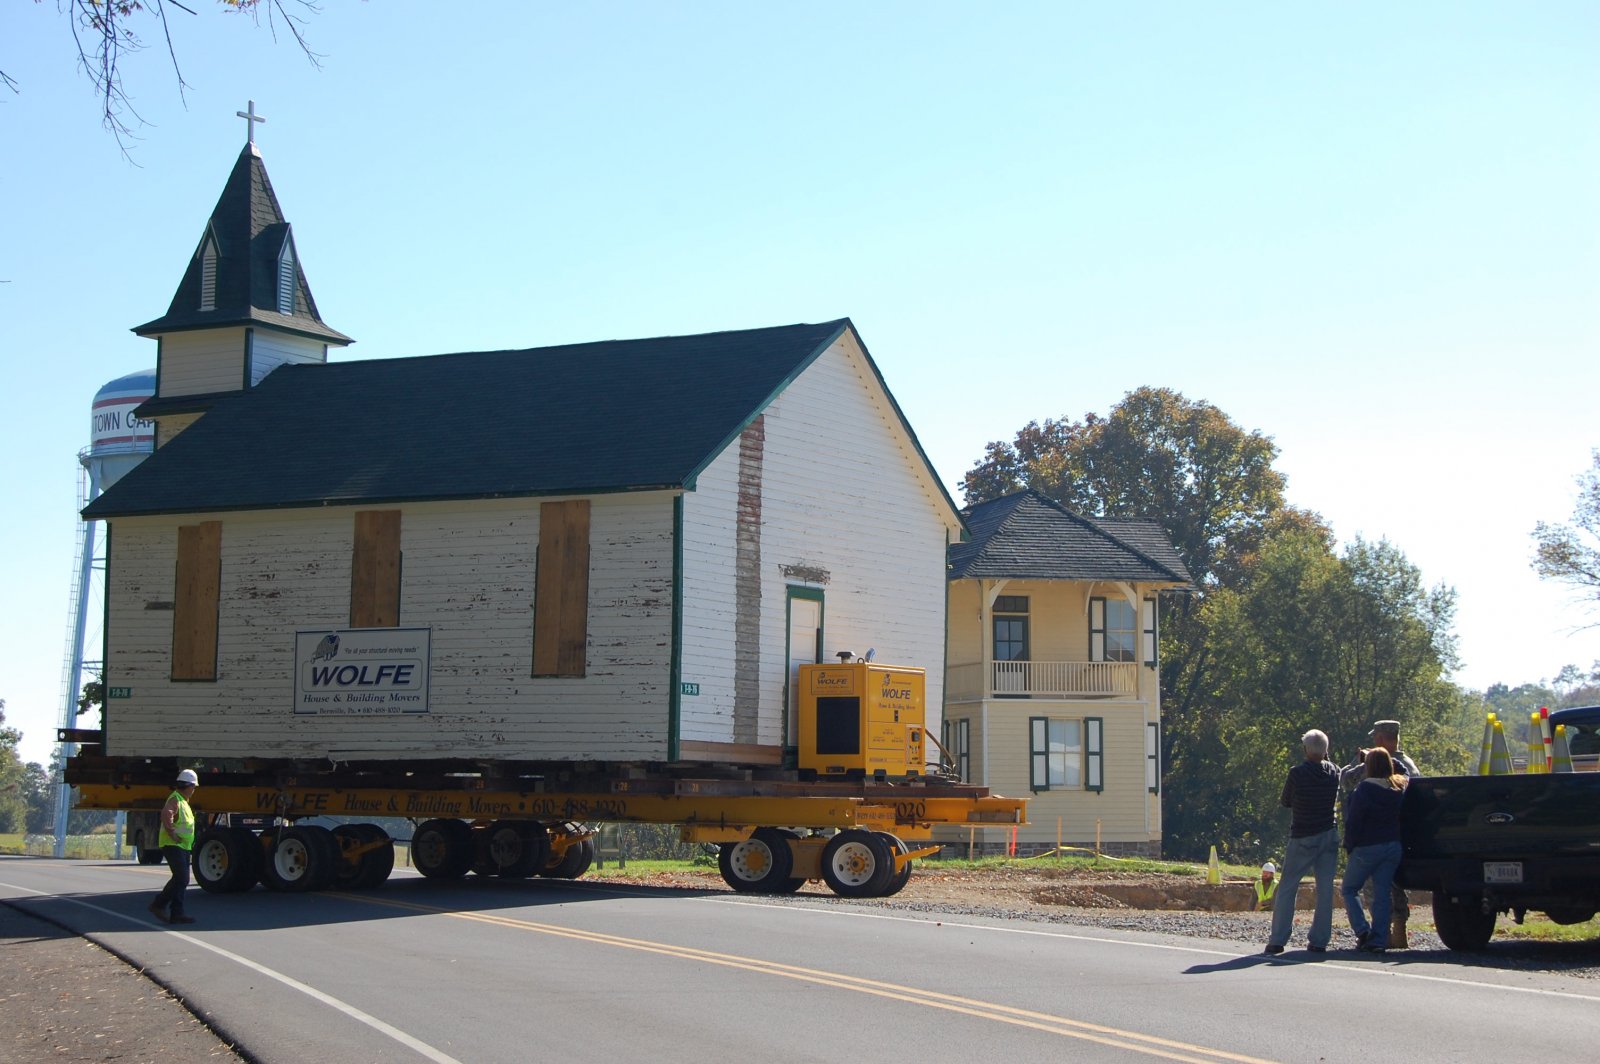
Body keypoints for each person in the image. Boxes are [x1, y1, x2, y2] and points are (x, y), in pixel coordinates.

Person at [1340, 720, 1421, 944]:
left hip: (1370, 840)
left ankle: (1379, 935)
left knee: (1371, 890)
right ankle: (1395, 933)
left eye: (1377, 737)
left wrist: (1361, 761)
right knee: (1391, 888)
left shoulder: (1371, 767)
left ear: (1381, 739)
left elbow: (1346, 781)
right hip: (1396, 837)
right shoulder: (1406, 769)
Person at [1265, 729, 1341, 955]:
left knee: (1289, 886)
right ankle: (1319, 941)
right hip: (1328, 833)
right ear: (1326, 751)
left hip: (1303, 835)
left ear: (1306, 750)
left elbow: (1286, 801)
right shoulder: (1334, 772)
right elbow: (1331, 768)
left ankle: (1278, 939)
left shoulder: (1297, 773)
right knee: (1325, 888)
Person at [148, 769, 199, 925]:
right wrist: (172, 833)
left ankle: (176, 913)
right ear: (187, 786)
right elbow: (166, 814)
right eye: (193, 787)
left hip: (182, 845)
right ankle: (159, 904)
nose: (194, 790)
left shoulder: (183, 801)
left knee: (181, 879)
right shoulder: (176, 799)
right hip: (173, 845)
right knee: (182, 878)